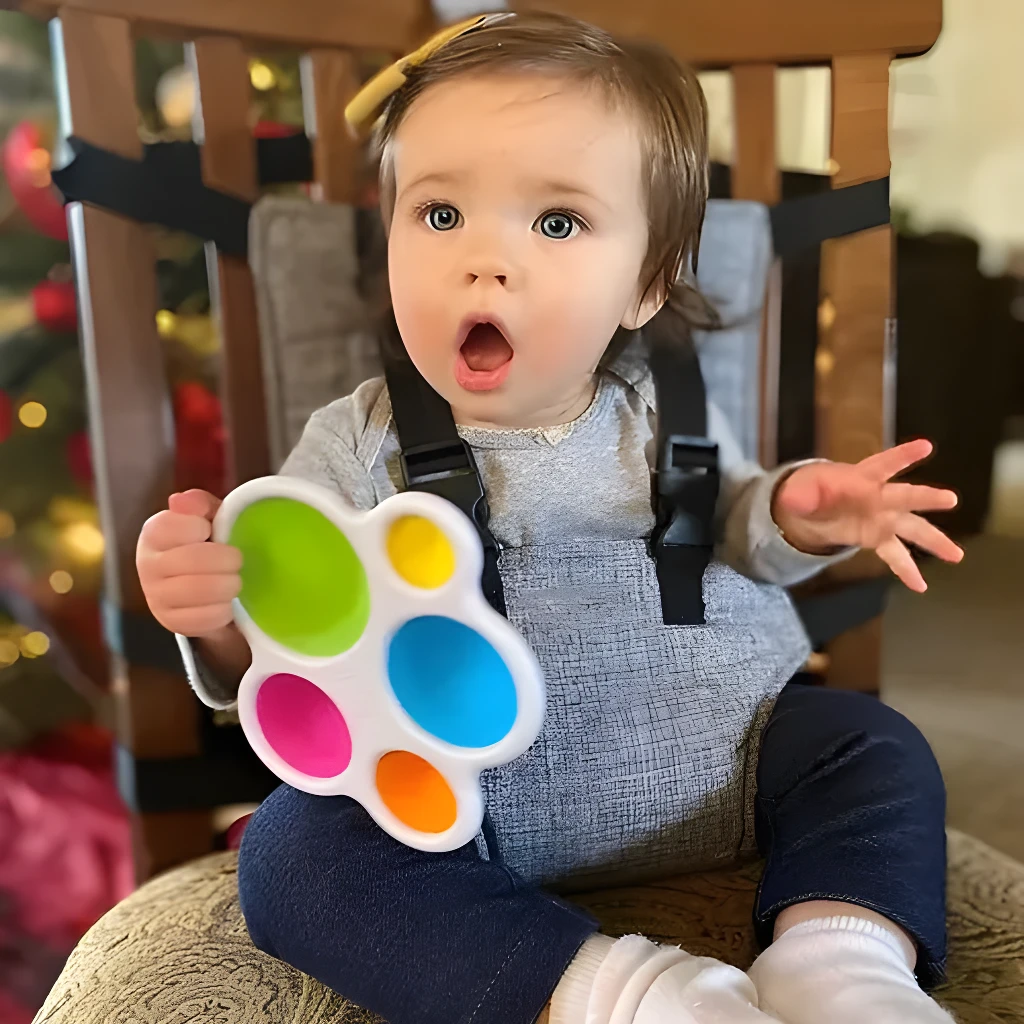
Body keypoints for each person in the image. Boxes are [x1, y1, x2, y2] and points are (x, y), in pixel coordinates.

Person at [136, 12, 964, 1024]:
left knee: (869, 744)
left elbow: (734, 523)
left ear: (644, 285)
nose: (484, 261)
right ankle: (621, 993)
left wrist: (799, 509)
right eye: (439, 215)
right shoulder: (356, 443)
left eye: (557, 222)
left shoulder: (667, 412)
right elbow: (296, 645)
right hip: (456, 808)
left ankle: (839, 956)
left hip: (718, 760)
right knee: (291, 853)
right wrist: (214, 612)